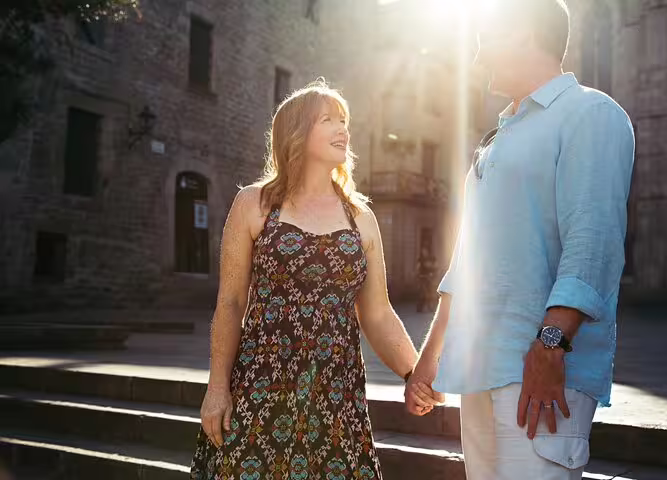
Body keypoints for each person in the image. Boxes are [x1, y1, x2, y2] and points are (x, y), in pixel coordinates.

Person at [405, 0, 635, 479]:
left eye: (487, 40)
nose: (477, 58)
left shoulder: (590, 113)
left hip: (540, 368)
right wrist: (429, 360)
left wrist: (549, 345)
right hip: (481, 365)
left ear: (525, 33)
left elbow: (593, 244)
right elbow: (468, 262)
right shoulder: (496, 140)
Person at [190, 80, 438, 479]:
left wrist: (414, 373)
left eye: (344, 120)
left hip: (336, 393)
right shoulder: (254, 204)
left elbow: (377, 313)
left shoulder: (362, 218)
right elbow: (231, 303)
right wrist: (217, 388)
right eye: (329, 120)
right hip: (261, 384)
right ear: (297, 132)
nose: (343, 129)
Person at [416, 246, 438, 313]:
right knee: (422, 292)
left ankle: (431, 306)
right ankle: (420, 307)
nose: (424, 252)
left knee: (430, 292)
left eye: (425, 250)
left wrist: (433, 274)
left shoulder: (432, 258)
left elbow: (435, 267)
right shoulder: (420, 259)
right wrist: (418, 274)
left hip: (429, 277)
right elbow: (418, 267)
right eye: (423, 251)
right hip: (422, 277)